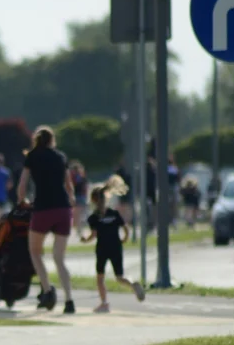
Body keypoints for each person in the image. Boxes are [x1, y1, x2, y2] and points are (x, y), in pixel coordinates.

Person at [17, 126, 76, 314]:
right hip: (62, 208)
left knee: (35, 251)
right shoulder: (60, 157)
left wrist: (22, 201)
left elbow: (23, 184)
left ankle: (48, 289)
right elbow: (69, 186)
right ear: (52, 140)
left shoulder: (32, 157)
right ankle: (69, 300)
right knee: (59, 258)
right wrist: (71, 202)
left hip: (43, 208)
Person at [81, 176, 146, 313]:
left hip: (102, 249)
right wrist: (125, 239)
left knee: (100, 277)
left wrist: (85, 240)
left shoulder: (93, 218)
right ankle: (133, 284)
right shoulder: (114, 213)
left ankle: (104, 303)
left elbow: (93, 235)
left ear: (93, 200)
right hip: (116, 246)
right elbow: (126, 229)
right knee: (120, 276)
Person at [69, 161, 89, 232]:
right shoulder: (82, 176)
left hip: (76, 196)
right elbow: (85, 187)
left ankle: (77, 229)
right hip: (81, 196)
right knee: (79, 214)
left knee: (76, 214)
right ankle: (78, 229)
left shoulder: (72, 176)